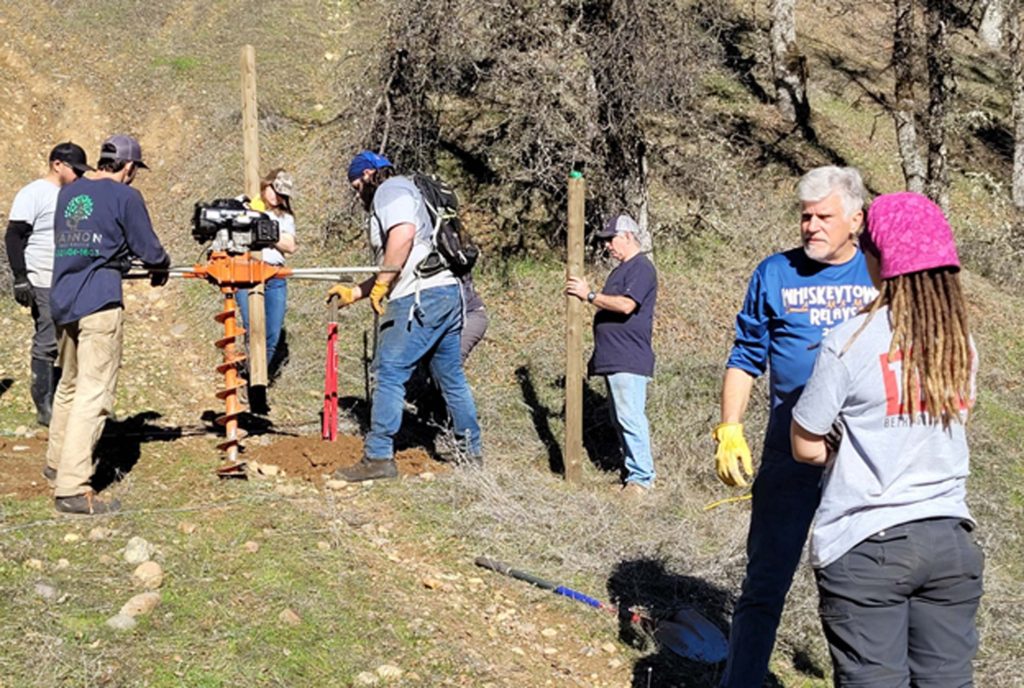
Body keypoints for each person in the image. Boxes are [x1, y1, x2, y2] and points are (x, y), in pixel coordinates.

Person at [792, 191, 982, 687]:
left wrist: (845, 449)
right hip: (950, 542)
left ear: (879, 259)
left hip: (867, 544)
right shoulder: (960, 347)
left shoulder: (850, 340)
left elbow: (805, 443)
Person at [713, 166, 877, 687]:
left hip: (863, 457)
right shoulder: (774, 273)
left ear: (856, 219)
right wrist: (730, 428)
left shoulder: (878, 273)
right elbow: (745, 356)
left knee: (859, 591)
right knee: (764, 582)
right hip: (790, 449)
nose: (810, 226)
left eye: (823, 216)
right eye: (804, 216)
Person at [327, 150, 482, 480]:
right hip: (446, 292)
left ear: (369, 174)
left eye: (357, 185)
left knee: (388, 371)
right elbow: (401, 260)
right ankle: (472, 455)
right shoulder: (411, 189)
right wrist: (357, 292)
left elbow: (403, 237)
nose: (358, 193)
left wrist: (383, 284)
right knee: (450, 375)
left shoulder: (389, 189)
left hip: (419, 298)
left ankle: (379, 456)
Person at [46, 134, 171, 515]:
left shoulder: (70, 193)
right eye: (135, 170)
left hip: (63, 298)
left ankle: (56, 463)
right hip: (98, 300)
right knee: (94, 393)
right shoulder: (126, 197)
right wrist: (160, 266)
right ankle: (71, 488)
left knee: (68, 384)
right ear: (129, 167)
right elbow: (148, 248)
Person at [565, 213, 657, 498]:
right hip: (615, 357)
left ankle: (642, 479)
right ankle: (634, 474)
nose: (607, 245)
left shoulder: (641, 267)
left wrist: (589, 295)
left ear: (628, 236)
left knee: (630, 417)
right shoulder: (622, 270)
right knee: (622, 418)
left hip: (628, 357)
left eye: (611, 239)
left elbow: (627, 305)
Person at [5, 142, 92, 426]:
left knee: (75, 337)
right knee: (46, 340)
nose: (79, 175)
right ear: (57, 164)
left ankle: (68, 398)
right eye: (75, 169)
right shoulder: (34, 193)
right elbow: (14, 236)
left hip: (73, 277)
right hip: (42, 276)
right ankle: (45, 405)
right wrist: (20, 277)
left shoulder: (77, 194)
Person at [237, 168, 297, 391]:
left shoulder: (285, 217)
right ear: (266, 184)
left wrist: (266, 230)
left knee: (272, 332)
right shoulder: (245, 206)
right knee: (252, 328)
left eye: (282, 194)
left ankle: (257, 380)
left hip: (274, 275)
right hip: (247, 274)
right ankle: (248, 380)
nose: (276, 197)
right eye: (274, 190)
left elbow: (290, 245)